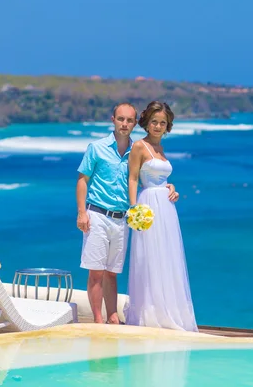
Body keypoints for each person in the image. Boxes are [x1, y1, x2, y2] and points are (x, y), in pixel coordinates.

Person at [76, 102, 179, 324]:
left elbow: (146, 180)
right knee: (96, 272)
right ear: (113, 119)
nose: (124, 124)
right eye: (121, 119)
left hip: (122, 218)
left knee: (112, 272)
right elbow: (82, 180)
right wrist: (81, 213)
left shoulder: (137, 150)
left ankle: (113, 317)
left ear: (134, 123)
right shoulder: (97, 147)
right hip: (97, 215)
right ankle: (97, 320)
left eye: (129, 120)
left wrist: (167, 187)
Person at [124, 101, 198, 332]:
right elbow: (134, 178)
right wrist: (134, 209)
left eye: (162, 123)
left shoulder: (161, 150)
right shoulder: (139, 146)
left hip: (167, 208)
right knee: (150, 258)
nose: (158, 126)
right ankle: (151, 313)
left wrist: (171, 188)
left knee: (168, 257)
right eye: (154, 122)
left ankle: (170, 311)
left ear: (168, 126)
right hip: (148, 207)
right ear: (147, 123)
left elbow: (161, 178)